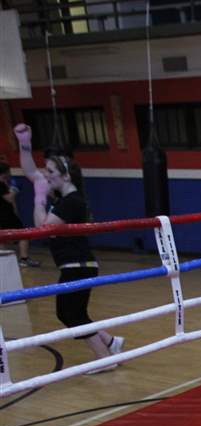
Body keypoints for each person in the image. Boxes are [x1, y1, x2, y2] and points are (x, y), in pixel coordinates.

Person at [13, 123, 124, 371]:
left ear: (65, 176)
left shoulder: (72, 202)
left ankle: (105, 360)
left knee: (70, 314)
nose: (46, 173)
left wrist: (39, 199)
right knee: (73, 312)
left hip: (78, 265)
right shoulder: (65, 198)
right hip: (76, 265)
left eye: (51, 171)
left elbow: (44, 229)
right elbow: (32, 174)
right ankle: (110, 342)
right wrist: (24, 144)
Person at [0, 162, 39, 267]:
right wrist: (15, 190)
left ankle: (3, 261)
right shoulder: (1, 184)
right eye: (8, 172)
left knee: (2, 238)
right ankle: (24, 259)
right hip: (5, 215)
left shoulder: (4, 183)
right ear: (4, 173)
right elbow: (9, 198)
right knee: (23, 235)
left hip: (6, 214)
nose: (10, 174)